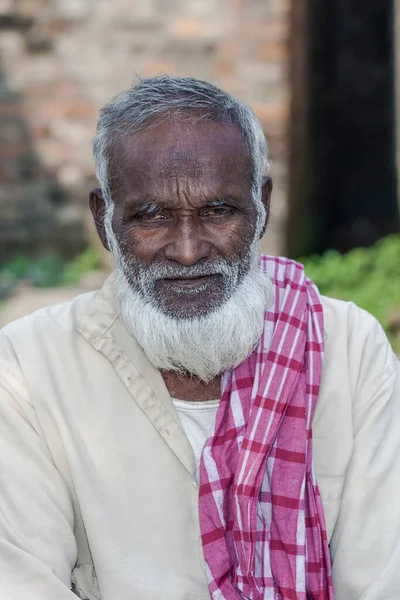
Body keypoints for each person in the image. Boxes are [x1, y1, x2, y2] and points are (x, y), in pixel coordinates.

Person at [0, 75, 399, 600]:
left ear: (262, 208)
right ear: (104, 221)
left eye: (218, 212)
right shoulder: (28, 367)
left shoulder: (348, 347)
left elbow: (381, 578)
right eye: (151, 216)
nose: (187, 251)